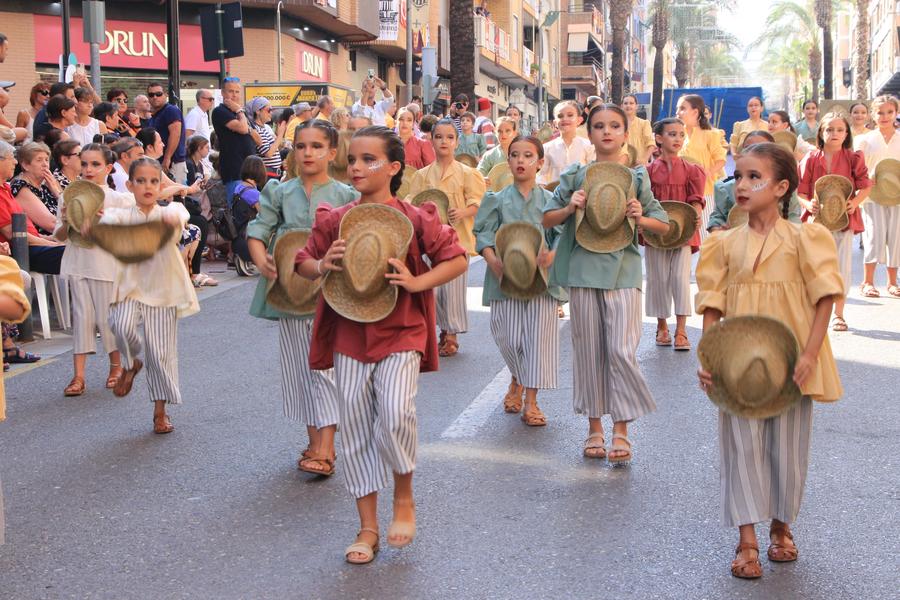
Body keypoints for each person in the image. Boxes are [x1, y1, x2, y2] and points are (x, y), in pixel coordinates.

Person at [295, 125, 468, 564]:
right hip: (349, 335)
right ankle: (367, 527)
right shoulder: (336, 219)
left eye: (368, 160)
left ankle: (404, 496)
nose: (356, 167)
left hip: (402, 330)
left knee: (395, 415)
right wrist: (322, 264)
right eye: (352, 159)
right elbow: (303, 263)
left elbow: (457, 259)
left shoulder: (416, 216)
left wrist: (416, 282)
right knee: (353, 429)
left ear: (393, 168)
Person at [696, 142, 843, 580]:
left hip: (793, 359)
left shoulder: (806, 237)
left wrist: (812, 353)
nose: (742, 185)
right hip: (739, 363)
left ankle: (781, 527)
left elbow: (824, 299)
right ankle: (747, 541)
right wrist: (710, 356)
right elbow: (712, 303)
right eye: (738, 176)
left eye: (754, 177)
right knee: (740, 449)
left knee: (788, 451)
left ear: (781, 187)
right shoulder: (722, 243)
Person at [542, 103, 669, 465]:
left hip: (624, 273)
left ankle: (622, 431)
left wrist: (641, 216)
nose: (607, 131)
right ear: (590, 133)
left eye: (615, 126)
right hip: (582, 272)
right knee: (589, 352)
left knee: (621, 351)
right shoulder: (575, 176)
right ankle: (595, 428)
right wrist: (569, 209)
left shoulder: (638, 178)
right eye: (600, 126)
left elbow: (664, 224)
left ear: (626, 135)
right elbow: (547, 219)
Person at [247, 119, 358, 475]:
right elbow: (259, 228)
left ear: (332, 152)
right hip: (290, 288)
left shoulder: (346, 196)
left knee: (325, 367)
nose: (307, 152)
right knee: (300, 368)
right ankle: (316, 440)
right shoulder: (278, 192)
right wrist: (258, 254)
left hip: (333, 289)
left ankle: (325, 448)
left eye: (316, 146)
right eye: (300, 146)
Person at [99, 156, 199, 434]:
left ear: (161, 185)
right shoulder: (120, 215)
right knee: (120, 324)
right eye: (140, 181)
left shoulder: (172, 212)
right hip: (129, 286)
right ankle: (131, 363)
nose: (147, 186)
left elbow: (179, 218)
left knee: (160, 352)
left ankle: (159, 411)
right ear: (129, 185)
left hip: (163, 289)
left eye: (154, 181)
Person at [474, 135, 561, 426]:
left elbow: (562, 235)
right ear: (507, 161)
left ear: (540, 163)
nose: (521, 160)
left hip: (541, 280)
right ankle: (517, 376)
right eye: (515, 155)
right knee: (507, 337)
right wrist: (493, 261)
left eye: (527, 156)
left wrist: (553, 255)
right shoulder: (495, 200)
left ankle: (532, 401)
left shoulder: (551, 202)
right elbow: (483, 235)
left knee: (538, 341)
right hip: (504, 277)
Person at [53, 143, 133, 397]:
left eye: (95, 164)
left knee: (107, 319)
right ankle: (78, 375)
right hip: (77, 262)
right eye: (84, 163)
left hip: (107, 265)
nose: (88, 169)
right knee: (82, 318)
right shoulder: (68, 196)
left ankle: (116, 367)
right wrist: (67, 220)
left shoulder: (120, 199)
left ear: (108, 167)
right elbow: (59, 235)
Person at [407, 118, 486, 357]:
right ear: (431, 140)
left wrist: (463, 211)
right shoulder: (421, 175)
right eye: (439, 136)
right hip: (428, 241)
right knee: (432, 287)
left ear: (457, 142)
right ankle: (436, 330)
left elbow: (477, 202)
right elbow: (412, 201)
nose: (444, 141)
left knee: (452, 289)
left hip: (456, 239)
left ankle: (450, 334)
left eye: (449, 137)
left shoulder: (468, 173)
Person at [797, 112, 871, 331]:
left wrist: (855, 202)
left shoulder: (853, 157)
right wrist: (806, 204)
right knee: (815, 266)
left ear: (846, 133)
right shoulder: (810, 159)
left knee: (841, 266)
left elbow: (865, 185)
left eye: (839, 129)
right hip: (816, 221)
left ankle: (838, 314)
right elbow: (801, 191)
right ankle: (815, 312)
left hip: (843, 219)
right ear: (821, 132)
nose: (834, 133)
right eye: (829, 129)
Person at [645, 118, 705, 350]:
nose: (678, 138)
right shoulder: (647, 172)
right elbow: (645, 200)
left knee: (681, 279)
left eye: (681, 134)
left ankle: (681, 329)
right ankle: (662, 326)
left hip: (683, 230)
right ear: (659, 138)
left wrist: (697, 214)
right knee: (658, 278)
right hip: (655, 231)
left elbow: (696, 199)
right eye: (672, 134)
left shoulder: (692, 169)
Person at [708, 131, 802, 231]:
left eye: (760, 149)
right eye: (747, 148)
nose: (752, 152)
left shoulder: (783, 188)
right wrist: (718, 231)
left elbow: (793, 218)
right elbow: (716, 219)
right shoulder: (725, 189)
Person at [855, 96, 900, 298]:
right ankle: (867, 282)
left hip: (897, 193)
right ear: (873, 114)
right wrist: (867, 176)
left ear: (896, 113)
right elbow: (856, 166)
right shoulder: (864, 139)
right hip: (872, 194)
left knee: (896, 237)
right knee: (874, 236)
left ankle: (892, 282)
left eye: (889, 112)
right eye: (880, 112)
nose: (885, 116)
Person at [0, 141, 64, 274]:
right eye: (11, 157)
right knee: (76, 255)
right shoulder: (19, 186)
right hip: (21, 249)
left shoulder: (5, 187)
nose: (15, 162)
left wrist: (50, 239)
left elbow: (30, 231)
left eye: (47, 159)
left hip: (32, 243)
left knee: (85, 249)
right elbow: (13, 233)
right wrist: (53, 244)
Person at [677, 94, 726, 239]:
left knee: (704, 231)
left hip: (705, 190)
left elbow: (721, 160)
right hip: (682, 190)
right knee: (687, 232)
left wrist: (706, 173)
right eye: (677, 109)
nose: (678, 112)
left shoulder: (711, 134)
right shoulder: (679, 135)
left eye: (682, 109)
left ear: (695, 112)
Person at [211, 79, 259, 198]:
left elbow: (259, 140)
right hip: (234, 170)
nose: (234, 95)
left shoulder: (241, 114)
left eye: (237, 92)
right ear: (222, 93)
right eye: (231, 91)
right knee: (238, 209)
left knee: (252, 211)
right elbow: (243, 129)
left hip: (251, 171)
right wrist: (239, 111)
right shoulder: (220, 111)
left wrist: (245, 125)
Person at [538, 100, 595, 185]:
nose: (565, 119)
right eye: (560, 116)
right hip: (554, 195)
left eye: (570, 115)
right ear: (555, 123)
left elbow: (593, 174)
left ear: (579, 120)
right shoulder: (546, 148)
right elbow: (541, 176)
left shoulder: (588, 146)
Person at [10, 142, 61, 234]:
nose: (45, 164)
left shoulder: (46, 187)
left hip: (60, 238)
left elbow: (72, 210)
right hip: (41, 244)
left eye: (46, 160)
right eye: (39, 160)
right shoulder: (21, 187)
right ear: (25, 165)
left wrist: (56, 191)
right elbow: (51, 224)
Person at [230, 156, 266, 276]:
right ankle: (250, 258)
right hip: (249, 239)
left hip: (238, 236)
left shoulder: (239, 187)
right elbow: (266, 216)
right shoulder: (253, 194)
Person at [147, 82, 187, 184]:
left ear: (166, 95)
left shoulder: (170, 110)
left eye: (158, 94)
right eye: (151, 95)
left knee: (176, 196)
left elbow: (175, 134)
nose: (155, 97)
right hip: (161, 162)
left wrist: (167, 158)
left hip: (173, 163)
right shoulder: (155, 115)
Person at [247, 97, 286, 178]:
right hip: (267, 174)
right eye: (268, 110)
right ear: (258, 111)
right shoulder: (257, 130)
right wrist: (280, 134)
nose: (271, 113)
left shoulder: (264, 128)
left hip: (272, 173)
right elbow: (268, 153)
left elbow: (275, 148)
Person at [622, 94, 655, 165]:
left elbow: (651, 144)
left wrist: (644, 159)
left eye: (631, 103)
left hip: (639, 165)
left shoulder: (644, 123)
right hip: (623, 165)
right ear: (622, 106)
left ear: (636, 106)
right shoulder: (617, 125)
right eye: (625, 103)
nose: (628, 106)